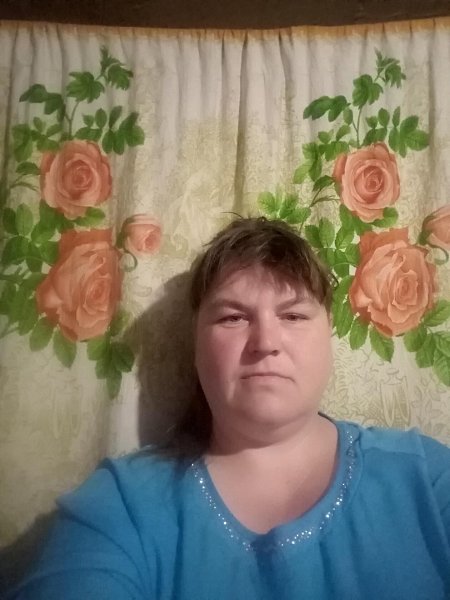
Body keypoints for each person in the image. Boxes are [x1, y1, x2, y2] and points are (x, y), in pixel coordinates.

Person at [8, 217, 450, 599]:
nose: (266, 343)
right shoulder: (121, 507)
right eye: (232, 317)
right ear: (196, 345)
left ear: (329, 335)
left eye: (293, 316)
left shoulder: (428, 481)